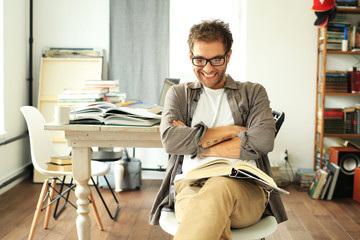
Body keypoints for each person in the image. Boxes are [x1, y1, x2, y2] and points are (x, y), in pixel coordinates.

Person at [149, 19, 287, 239]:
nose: (208, 68)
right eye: (200, 60)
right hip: (190, 187)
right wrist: (232, 131)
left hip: (245, 189)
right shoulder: (178, 94)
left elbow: (262, 142)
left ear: (228, 56)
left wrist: (195, 144)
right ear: (190, 57)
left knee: (219, 187)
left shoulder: (253, 92)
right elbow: (171, 141)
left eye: (216, 59)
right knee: (210, 217)